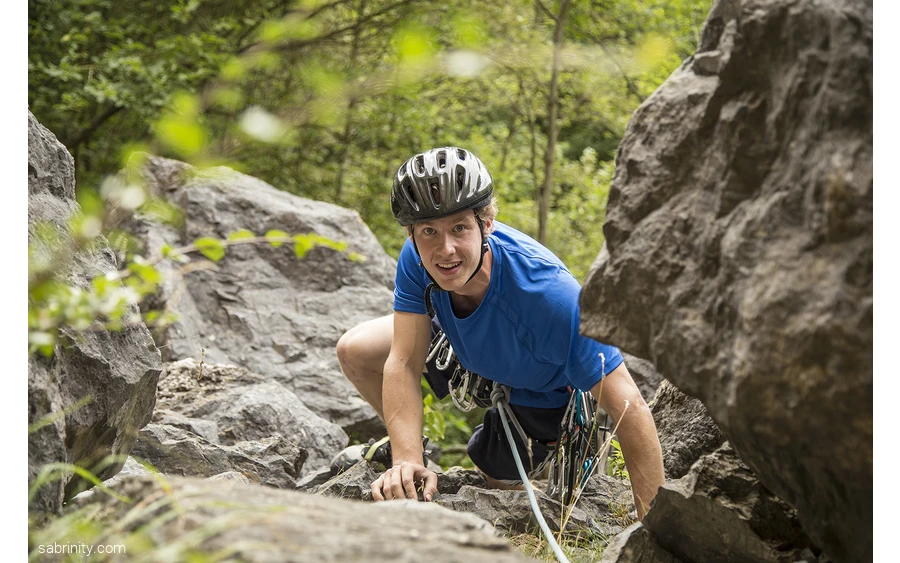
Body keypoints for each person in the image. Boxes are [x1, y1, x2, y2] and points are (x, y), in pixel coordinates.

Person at [335, 146, 665, 520]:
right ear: (412, 234)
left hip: (543, 390)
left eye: (460, 227)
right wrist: (406, 459)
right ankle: (415, 457)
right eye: (428, 231)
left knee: (498, 482)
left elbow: (629, 408)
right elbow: (404, 361)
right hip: (465, 346)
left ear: (486, 223)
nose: (445, 250)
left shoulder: (552, 298)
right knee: (355, 350)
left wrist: (653, 533)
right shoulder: (417, 257)